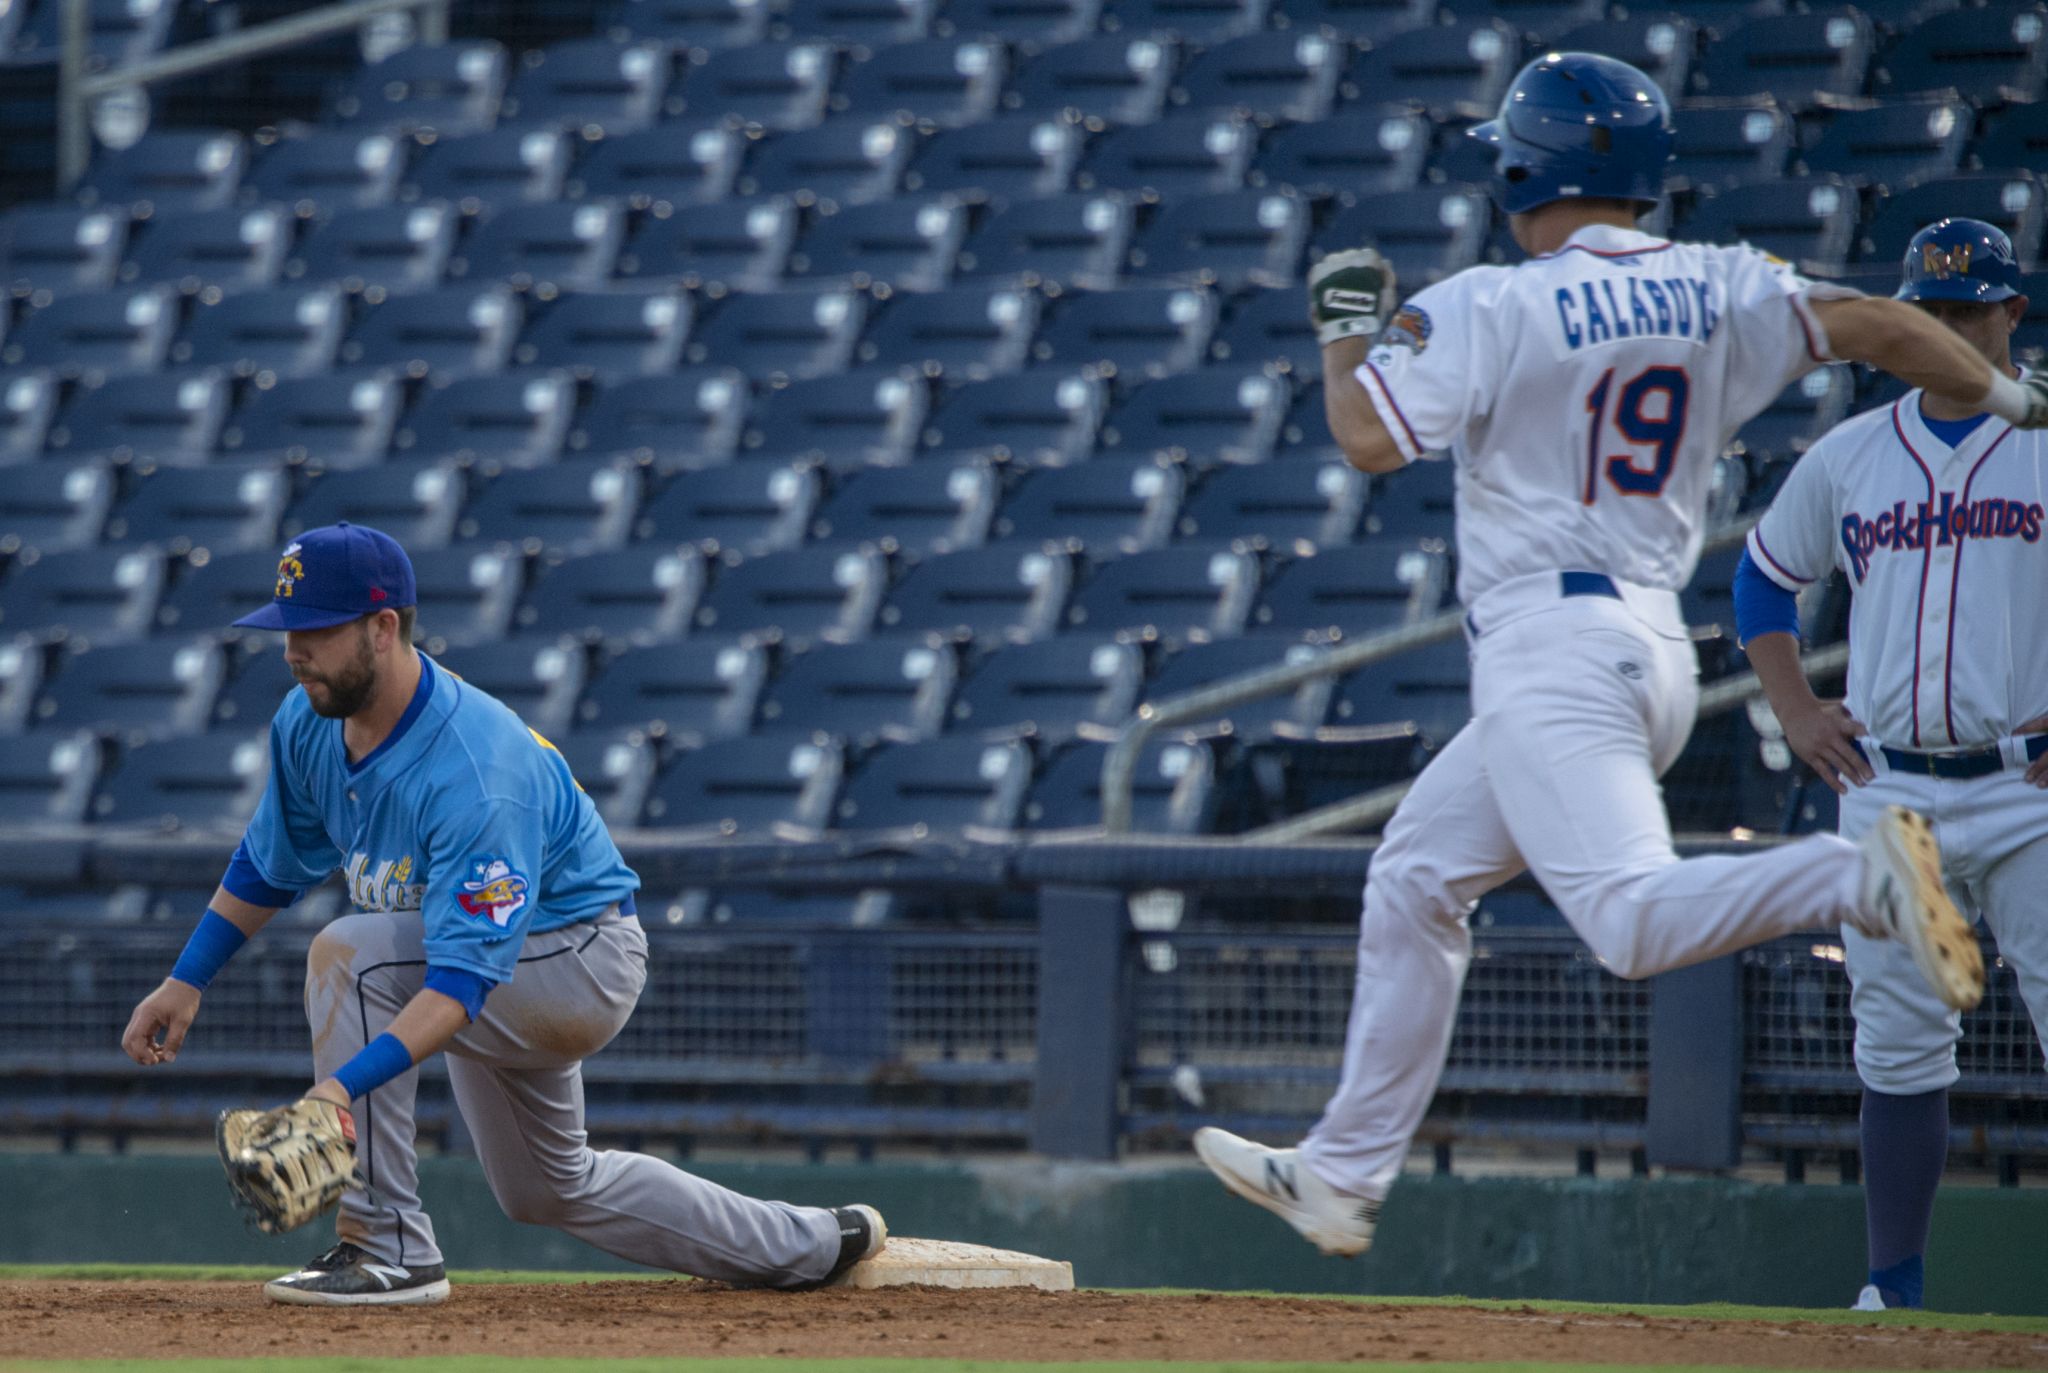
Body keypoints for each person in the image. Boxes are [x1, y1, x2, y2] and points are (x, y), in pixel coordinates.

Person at [1192, 51, 2048, 1259]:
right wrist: (2010, 406)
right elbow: (1875, 324)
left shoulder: (1490, 300)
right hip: (1643, 636)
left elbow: (1364, 437)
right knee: (1415, 874)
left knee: (1630, 921)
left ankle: (1856, 880)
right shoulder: (1718, 283)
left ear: (1516, 167)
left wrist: (1343, 330)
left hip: (1549, 646)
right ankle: (1339, 1171)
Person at [120, 522, 885, 1305]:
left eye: (316, 628)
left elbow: (456, 984)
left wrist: (339, 1090)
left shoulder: (476, 765)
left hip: (579, 955)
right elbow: (267, 862)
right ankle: (813, 1243)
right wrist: (187, 978)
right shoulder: (306, 722)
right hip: (494, 955)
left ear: (384, 627)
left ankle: (386, 1246)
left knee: (352, 954)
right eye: (287, 628)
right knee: (549, 1186)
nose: (292, 649)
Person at [1735, 217, 2048, 1311]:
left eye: (1970, 310)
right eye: (1931, 312)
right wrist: (1791, 709)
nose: (1950, 329)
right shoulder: (1852, 452)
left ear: (2012, 311)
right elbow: (1761, 582)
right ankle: (1891, 1291)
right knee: (1898, 1044)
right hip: (1890, 788)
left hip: (2030, 789)